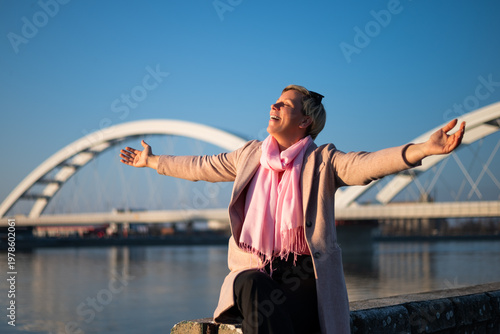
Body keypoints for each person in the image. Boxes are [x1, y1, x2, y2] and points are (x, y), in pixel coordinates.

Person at [120, 85, 465, 334]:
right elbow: (200, 165)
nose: (275, 105)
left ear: (304, 122)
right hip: (256, 271)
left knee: (270, 310)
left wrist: (422, 149)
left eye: (286, 104)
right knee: (249, 283)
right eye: (276, 100)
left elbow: (367, 164)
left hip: (303, 280)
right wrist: (153, 161)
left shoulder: (322, 160)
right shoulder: (249, 156)